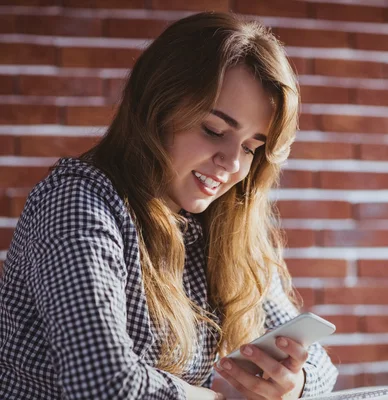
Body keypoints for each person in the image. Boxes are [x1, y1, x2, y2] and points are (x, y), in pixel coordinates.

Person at [0, 12, 338, 400]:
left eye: (250, 147)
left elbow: (319, 362)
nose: (231, 165)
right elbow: (104, 384)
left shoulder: (221, 223)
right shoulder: (77, 202)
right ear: (157, 108)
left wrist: (295, 383)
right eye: (214, 130)